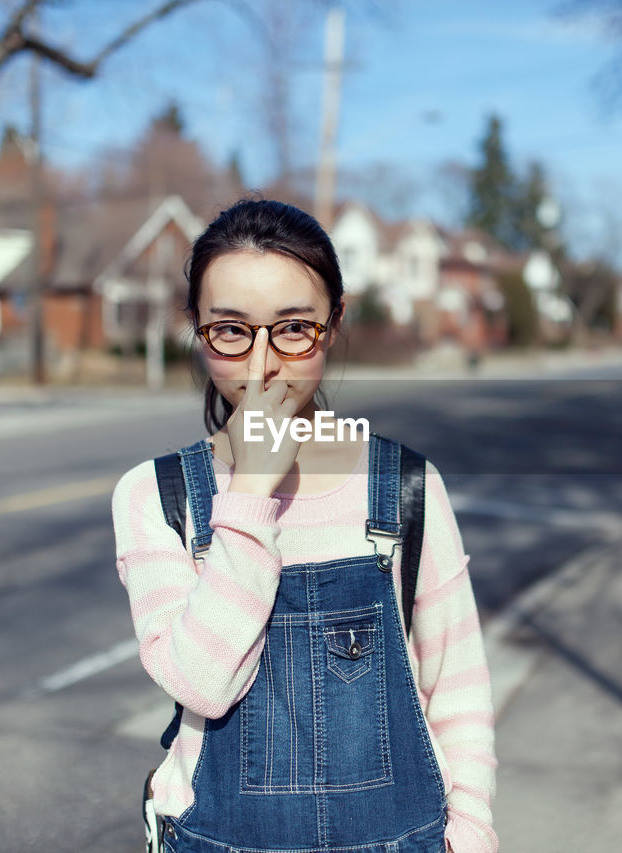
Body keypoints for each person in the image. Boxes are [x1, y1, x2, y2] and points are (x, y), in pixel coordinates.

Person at [110, 199, 498, 853]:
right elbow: (203, 681)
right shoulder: (157, 496)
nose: (262, 364)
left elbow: (457, 690)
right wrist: (253, 489)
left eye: (293, 328)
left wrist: (473, 835)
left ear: (334, 322)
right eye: (231, 330)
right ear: (198, 330)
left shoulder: (405, 487)